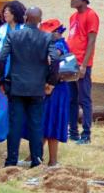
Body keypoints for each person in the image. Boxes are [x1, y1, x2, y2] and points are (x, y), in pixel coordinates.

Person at [0, 7, 59, 168]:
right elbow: (55, 59)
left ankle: (11, 161)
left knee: (15, 124)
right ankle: (36, 161)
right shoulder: (47, 37)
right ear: (40, 19)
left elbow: (1, 57)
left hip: (16, 86)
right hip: (38, 87)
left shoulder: (13, 35)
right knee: (36, 125)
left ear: (25, 18)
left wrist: (1, 81)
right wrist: (51, 82)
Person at [0, 0, 25, 144]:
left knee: (15, 106)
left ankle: (11, 133)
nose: (4, 13)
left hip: (19, 70)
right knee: (2, 104)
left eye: (7, 11)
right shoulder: (1, 30)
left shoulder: (24, 29)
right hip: (2, 69)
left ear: (15, 13)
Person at [66, 0, 98, 144]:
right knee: (71, 98)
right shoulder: (73, 17)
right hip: (71, 63)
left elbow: (91, 42)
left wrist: (84, 65)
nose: (71, 0)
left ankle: (86, 134)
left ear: (83, 0)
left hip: (82, 63)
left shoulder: (91, 15)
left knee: (84, 99)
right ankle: (73, 132)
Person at [39, 19, 70, 168]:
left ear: (56, 33)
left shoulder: (58, 46)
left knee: (52, 123)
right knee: (45, 123)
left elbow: (52, 60)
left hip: (56, 90)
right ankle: (37, 156)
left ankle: (52, 160)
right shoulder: (55, 44)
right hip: (52, 89)